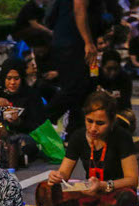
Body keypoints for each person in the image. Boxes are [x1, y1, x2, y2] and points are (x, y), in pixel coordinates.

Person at [38, 91, 139, 206]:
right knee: (45, 187)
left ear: (111, 121)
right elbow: (64, 174)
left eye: (100, 123)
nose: (93, 128)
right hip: (89, 191)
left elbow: (132, 180)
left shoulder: (122, 137)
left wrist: (103, 185)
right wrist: (57, 176)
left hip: (113, 191)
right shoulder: (78, 136)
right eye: (89, 121)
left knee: (128, 197)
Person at [0, 57, 47, 168]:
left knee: (25, 143)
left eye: (16, 79)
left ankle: (11, 157)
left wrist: (18, 122)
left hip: (20, 135)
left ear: (22, 78)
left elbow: (38, 123)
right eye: (9, 78)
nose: (12, 82)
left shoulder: (31, 95)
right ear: (3, 78)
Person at [45, 0, 102, 134]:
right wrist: (88, 42)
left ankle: (76, 133)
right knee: (74, 87)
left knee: (85, 91)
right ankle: (41, 120)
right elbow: (79, 8)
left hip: (73, 42)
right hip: (73, 44)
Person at [96, 49, 135, 130]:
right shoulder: (95, 76)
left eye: (116, 69)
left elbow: (124, 101)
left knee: (129, 117)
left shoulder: (125, 78)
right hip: (97, 110)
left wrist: (105, 95)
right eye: (109, 69)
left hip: (118, 111)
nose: (112, 72)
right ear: (102, 66)